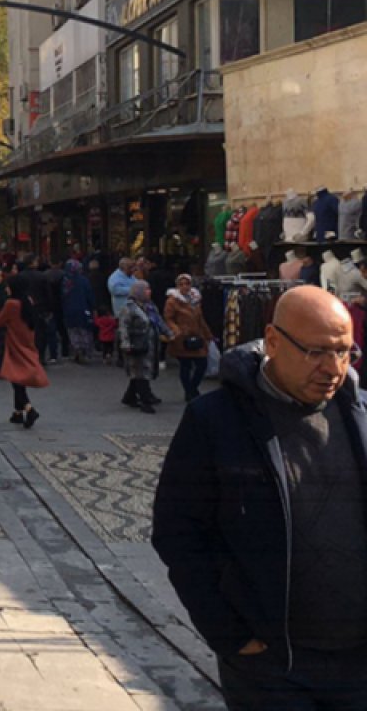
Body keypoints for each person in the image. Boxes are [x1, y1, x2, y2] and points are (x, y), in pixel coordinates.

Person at [152, 285, 367, 709]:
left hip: (358, 664)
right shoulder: (215, 421)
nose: (333, 367)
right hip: (270, 666)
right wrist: (227, 632)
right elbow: (177, 532)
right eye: (316, 352)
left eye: (344, 352)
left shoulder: (360, 416)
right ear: (272, 341)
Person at [0, 275, 48, 428]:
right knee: (18, 376)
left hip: (15, 344)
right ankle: (18, 412)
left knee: (15, 379)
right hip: (27, 343)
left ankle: (29, 408)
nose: (6, 289)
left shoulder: (11, 304)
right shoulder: (28, 301)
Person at [163, 274, 214, 402]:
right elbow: (168, 318)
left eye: (187, 284)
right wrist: (176, 330)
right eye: (181, 284)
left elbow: (200, 319)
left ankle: (192, 388)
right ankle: (189, 391)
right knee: (185, 365)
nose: (185, 286)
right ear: (177, 286)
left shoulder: (195, 300)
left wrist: (208, 335)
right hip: (182, 339)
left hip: (197, 336)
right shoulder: (172, 301)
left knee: (202, 364)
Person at [119, 281, 166, 413]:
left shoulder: (150, 307)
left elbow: (158, 321)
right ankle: (145, 401)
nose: (149, 292)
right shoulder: (129, 308)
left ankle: (130, 396)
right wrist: (126, 344)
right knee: (141, 372)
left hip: (150, 345)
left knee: (141, 371)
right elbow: (124, 327)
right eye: (146, 290)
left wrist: (169, 333)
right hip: (137, 344)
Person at [60, 259, 97, 363]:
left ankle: (77, 349)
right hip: (83, 308)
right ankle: (85, 351)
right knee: (84, 330)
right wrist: (93, 307)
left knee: (72, 331)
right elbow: (89, 295)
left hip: (68, 309)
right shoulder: (84, 280)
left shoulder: (64, 281)